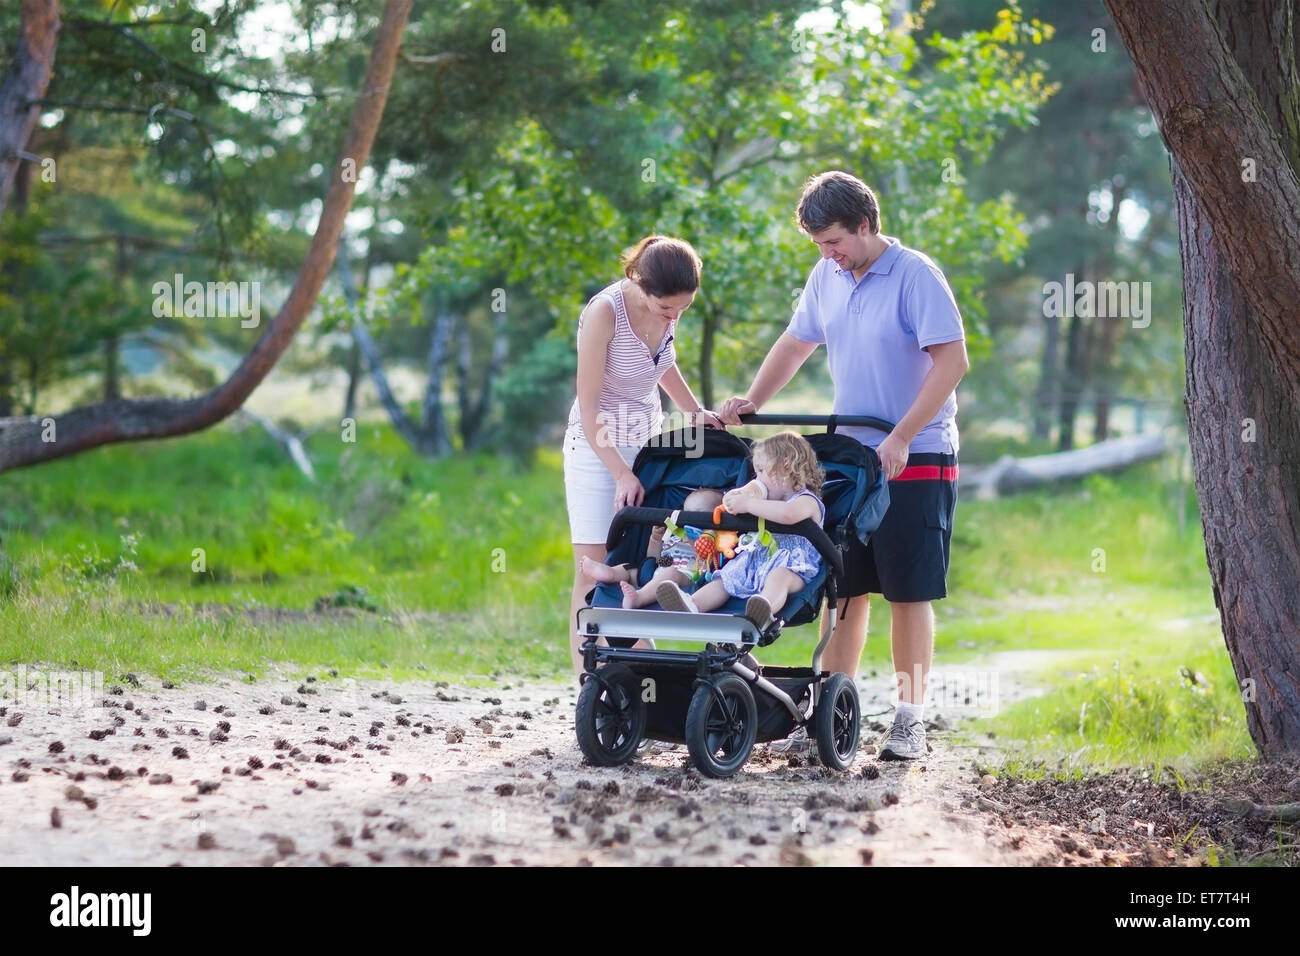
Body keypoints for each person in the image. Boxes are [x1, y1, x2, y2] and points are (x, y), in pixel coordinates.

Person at [718, 171, 970, 761]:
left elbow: (953, 361)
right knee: (843, 590)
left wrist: (905, 434)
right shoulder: (827, 275)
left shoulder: (916, 276)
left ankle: (909, 719)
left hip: (917, 452)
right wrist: (754, 399)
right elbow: (795, 342)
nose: (827, 254)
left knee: (908, 591)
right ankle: (832, 713)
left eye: (833, 241)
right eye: (817, 245)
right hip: (853, 460)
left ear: (864, 224)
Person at [564, 235, 723, 677]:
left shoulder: (668, 308)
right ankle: (592, 685)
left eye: (683, 309)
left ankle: (638, 681)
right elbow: (590, 406)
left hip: (647, 443)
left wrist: (695, 412)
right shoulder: (605, 312)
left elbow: (662, 363)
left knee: (641, 561)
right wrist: (620, 474)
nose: (674, 316)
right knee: (596, 569)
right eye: (666, 308)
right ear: (638, 280)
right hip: (597, 449)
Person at [655, 432, 825, 634]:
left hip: (794, 566)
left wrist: (750, 504)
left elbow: (788, 515)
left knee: (779, 578)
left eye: (762, 471)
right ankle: (692, 604)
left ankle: (763, 610)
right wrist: (738, 499)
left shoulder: (807, 500)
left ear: (787, 466)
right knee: (725, 577)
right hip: (756, 560)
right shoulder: (761, 502)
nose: (758, 479)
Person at [578, 488, 726, 608]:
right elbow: (656, 558)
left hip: (687, 577)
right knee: (631, 570)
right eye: (687, 513)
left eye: (699, 515)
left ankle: (639, 598)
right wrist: (655, 540)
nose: (690, 520)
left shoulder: (715, 540)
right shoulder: (675, 537)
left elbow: (710, 562)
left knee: (671, 572)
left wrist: (698, 540)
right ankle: (609, 572)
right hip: (658, 570)